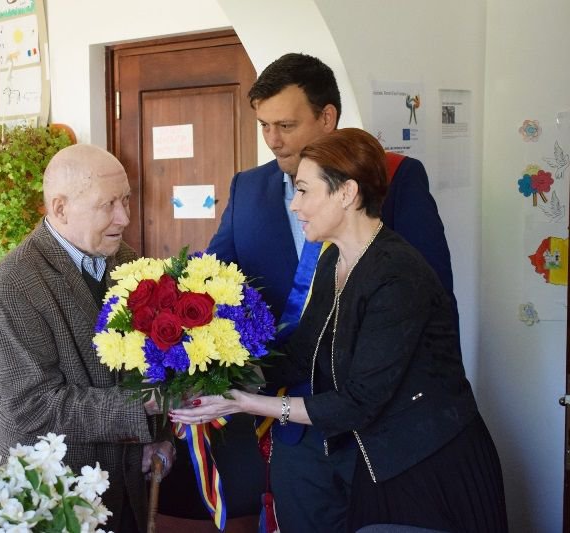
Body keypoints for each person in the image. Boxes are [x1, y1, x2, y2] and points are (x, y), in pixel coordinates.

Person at [171, 128, 507, 533]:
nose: (295, 206)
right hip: (378, 457)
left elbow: (359, 402)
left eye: (304, 191)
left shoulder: (396, 274)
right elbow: (301, 355)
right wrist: (224, 378)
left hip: (425, 464)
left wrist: (243, 402)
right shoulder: (334, 262)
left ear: (346, 193)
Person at [192, 52, 459, 527]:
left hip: (380, 427)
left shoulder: (396, 179)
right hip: (290, 425)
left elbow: (432, 299)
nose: (273, 140)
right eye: (263, 126)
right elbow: (212, 282)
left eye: (287, 125)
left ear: (327, 117)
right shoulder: (247, 188)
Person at [0, 143, 174, 533]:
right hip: (52, 496)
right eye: (107, 205)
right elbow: (32, 405)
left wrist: (159, 436)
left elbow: (154, 361)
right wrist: (146, 408)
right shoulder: (15, 282)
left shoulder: (129, 262)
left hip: (126, 485)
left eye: (126, 201)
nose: (123, 217)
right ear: (60, 208)